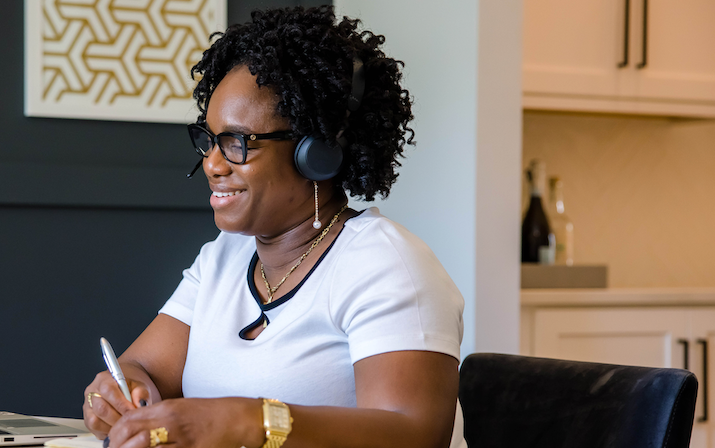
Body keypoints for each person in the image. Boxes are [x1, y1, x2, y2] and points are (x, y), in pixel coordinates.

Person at [83, 6, 465, 448]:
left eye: (237, 142)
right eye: (209, 139)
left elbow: (415, 433)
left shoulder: (386, 265)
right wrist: (117, 391)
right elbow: (142, 369)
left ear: (317, 154)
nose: (211, 163)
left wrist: (249, 420)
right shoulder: (223, 257)